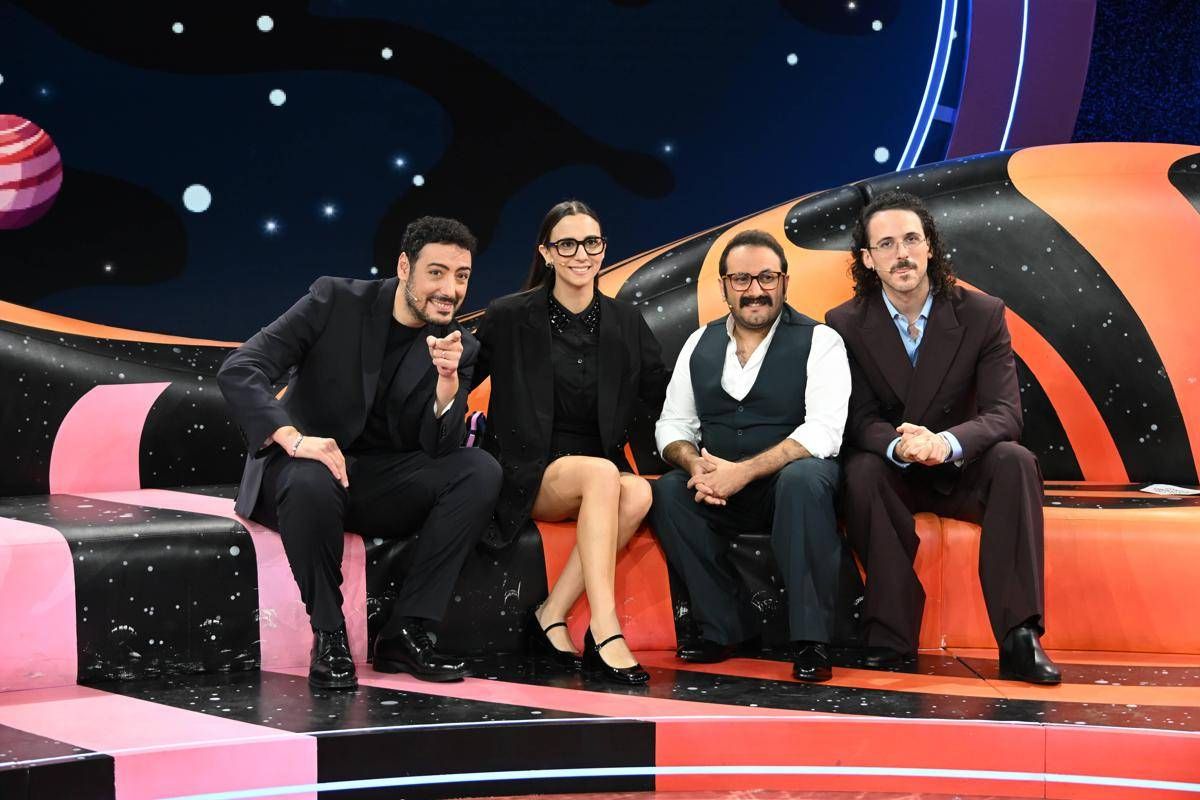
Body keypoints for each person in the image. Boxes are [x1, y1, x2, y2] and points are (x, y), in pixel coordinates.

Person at [218, 216, 501, 689]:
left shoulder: (459, 346)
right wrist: (292, 438)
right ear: (404, 266)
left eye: (461, 276)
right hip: (303, 470)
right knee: (311, 479)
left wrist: (448, 384)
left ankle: (407, 632)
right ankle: (329, 635)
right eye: (436, 272)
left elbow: (441, 449)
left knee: (479, 470)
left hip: (379, 483)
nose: (449, 290)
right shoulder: (335, 300)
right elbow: (241, 367)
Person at [825, 191, 1060, 684]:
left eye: (912, 239)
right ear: (867, 259)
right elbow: (858, 418)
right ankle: (889, 633)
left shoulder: (982, 313)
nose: (902, 254)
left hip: (961, 464)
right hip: (896, 468)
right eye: (886, 244)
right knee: (862, 470)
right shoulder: (844, 323)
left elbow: (1004, 413)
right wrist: (900, 445)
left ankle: (1020, 636)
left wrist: (944, 443)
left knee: (1016, 460)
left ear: (930, 246)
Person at [472, 200, 666, 684]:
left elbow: (662, 395)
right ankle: (605, 629)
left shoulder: (626, 321)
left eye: (591, 243)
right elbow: (457, 382)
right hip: (528, 467)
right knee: (603, 474)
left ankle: (551, 614)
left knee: (639, 493)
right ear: (546, 252)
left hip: (595, 468)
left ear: (604, 249)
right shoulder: (509, 316)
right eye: (567, 244)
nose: (581, 254)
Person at [652, 229, 850, 683]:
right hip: (721, 486)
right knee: (669, 492)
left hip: (788, 484)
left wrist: (742, 472)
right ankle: (724, 628)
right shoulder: (697, 343)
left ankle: (811, 640)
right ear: (723, 286)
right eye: (741, 279)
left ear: (785, 282)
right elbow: (673, 424)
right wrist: (694, 464)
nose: (754, 290)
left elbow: (824, 431)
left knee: (804, 480)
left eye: (766, 277)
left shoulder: (821, 341)